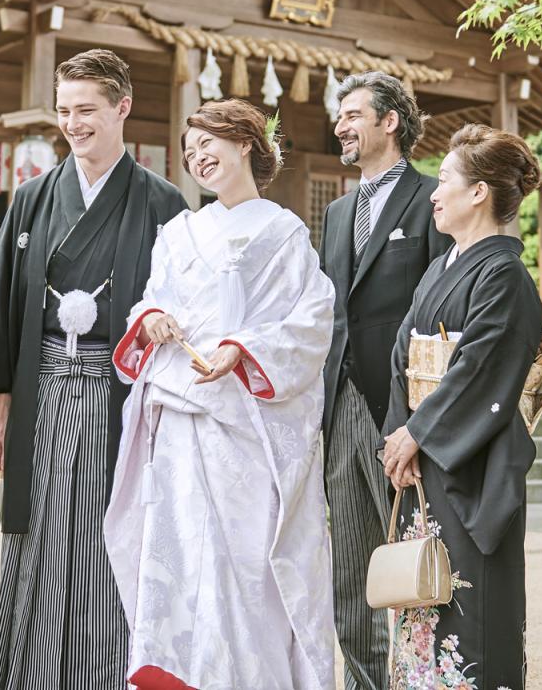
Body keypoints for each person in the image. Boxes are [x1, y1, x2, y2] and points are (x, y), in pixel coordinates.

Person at [0, 50, 187, 690]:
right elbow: (5, 311)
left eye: (86, 109)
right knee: (34, 531)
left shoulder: (162, 201)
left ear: (123, 108)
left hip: (119, 396)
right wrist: (1, 414)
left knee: (109, 533)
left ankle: (106, 674)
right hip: (40, 391)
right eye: (64, 111)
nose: (73, 123)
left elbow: (182, 307)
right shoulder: (34, 199)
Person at [105, 99, 336, 690]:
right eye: (190, 151)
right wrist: (152, 316)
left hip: (245, 424)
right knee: (180, 553)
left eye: (209, 144)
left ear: (246, 146)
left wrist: (242, 348)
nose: (198, 158)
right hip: (182, 417)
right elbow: (151, 295)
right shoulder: (180, 230)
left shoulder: (283, 231)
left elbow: (310, 320)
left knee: (244, 564)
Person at [381, 124, 542, 690]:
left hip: (471, 464)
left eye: (444, 179)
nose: (434, 191)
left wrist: (418, 434)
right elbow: (404, 353)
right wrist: (400, 435)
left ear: (478, 193)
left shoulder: (505, 275)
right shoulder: (442, 266)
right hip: (425, 461)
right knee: (420, 599)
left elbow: (480, 369)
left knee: (471, 609)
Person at [319, 72, 452, 690]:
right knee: (350, 564)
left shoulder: (433, 201)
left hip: (403, 408)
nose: (340, 125)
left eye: (351, 114)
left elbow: (442, 314)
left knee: (416, 554)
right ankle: (364, 683)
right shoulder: (338, 211)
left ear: (389, 121)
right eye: (339, 116)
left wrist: (421, 420)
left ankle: (423, 679)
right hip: (340, 403)